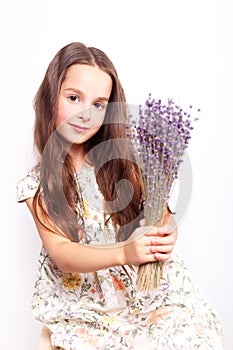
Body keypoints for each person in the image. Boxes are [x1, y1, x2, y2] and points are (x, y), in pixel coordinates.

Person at [17, 42, 223, 350]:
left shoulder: (125, 162)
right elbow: (62, 253)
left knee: (190, 335)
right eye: (74, 98)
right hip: (88, 304)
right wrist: (123, 253)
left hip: (146, 294)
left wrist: (167, 234)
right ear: (51, 98)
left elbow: (161, 213)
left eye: (99, 104)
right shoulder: (37, 183)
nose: (86, 114)